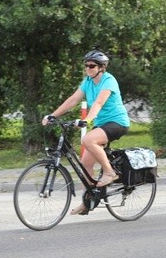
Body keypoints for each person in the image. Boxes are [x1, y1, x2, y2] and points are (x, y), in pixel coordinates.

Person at [42, 49, 130, 215]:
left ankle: (110, 173)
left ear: (101, 68)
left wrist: (87, 120)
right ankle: (88, 200)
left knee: (88, 140)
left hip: (117, 122)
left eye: (91, 66)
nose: (88, 69)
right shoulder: (88, 82)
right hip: (102, 124)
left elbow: (98, 103)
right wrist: (53, 115)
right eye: (86, 66)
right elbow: (73, 100)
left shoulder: (108, 81)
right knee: (86, 163)